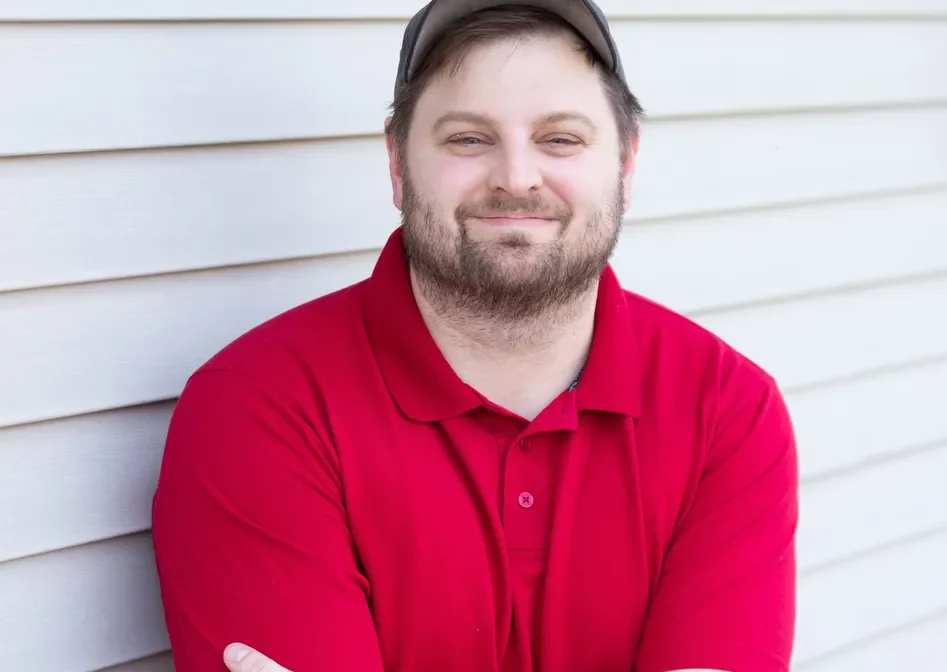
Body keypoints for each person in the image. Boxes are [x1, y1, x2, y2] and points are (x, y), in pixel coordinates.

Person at [151, 0, 799, 670]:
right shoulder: (260, 410)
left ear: (626, 166)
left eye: (560, 139)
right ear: (398, 166)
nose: (516, 178)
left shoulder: (725, 409)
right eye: (467, 138)